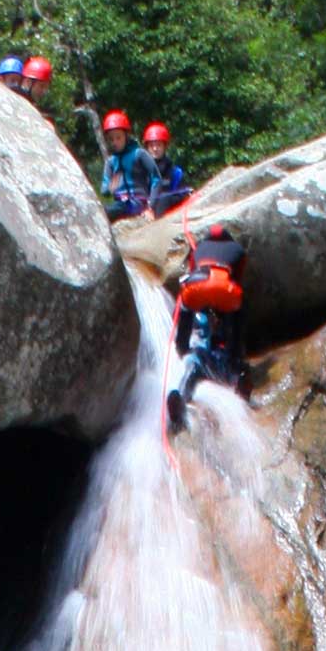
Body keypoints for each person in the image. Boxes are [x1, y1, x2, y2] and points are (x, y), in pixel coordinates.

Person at [165, 221, 249, 436]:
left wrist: (182, 346)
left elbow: (193, 274)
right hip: (227, 293)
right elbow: (238, 280)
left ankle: (182, 394)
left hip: (197, 291)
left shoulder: (199, 248)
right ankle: (235, 372)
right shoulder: (238, 250)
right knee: (236, 317)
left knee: (194, 358)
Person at [98, 110, 153, 220]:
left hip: (138, 202)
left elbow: (155, 179)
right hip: (121, 203)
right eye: (111, 139)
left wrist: (150, 206)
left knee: (112, 210)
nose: (115, 142)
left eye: (118, 137)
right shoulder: (111, 162)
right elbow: (104, 190)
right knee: (103, 211)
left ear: (126, 136)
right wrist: (110, 188)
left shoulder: (139, 155)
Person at [142, 123, 189, 217]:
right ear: (147, 148)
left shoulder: (175, 172)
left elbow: (183, 195)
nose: (155, 149)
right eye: (151, 146)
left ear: (164, 147)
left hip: (168, 212)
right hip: (145, 209)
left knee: (163, 199)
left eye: (158, 145)